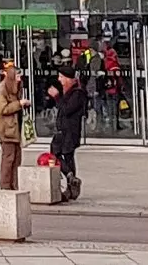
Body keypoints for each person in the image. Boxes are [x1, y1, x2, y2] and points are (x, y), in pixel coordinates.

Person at [48, 66, 87, 201]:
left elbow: (67, 110)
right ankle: (71, 184)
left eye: (61, 77)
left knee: (61, 154)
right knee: (61, 154)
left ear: (68, 79)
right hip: (63, 130)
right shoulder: (68, 91)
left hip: (70, 131)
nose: (59, 79)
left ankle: (70, 179)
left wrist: (57, 97)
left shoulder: (78, 93)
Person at [0, 59, 26, 190]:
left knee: (16, 158)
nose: (19, 79)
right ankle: (6, 185)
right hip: (7, 130)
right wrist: (19, 104)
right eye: (17, 76)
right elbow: (3, 109)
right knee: (8, 158)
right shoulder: (2, 89)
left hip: (14, 129)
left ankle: (14, 184)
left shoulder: (15, 88)